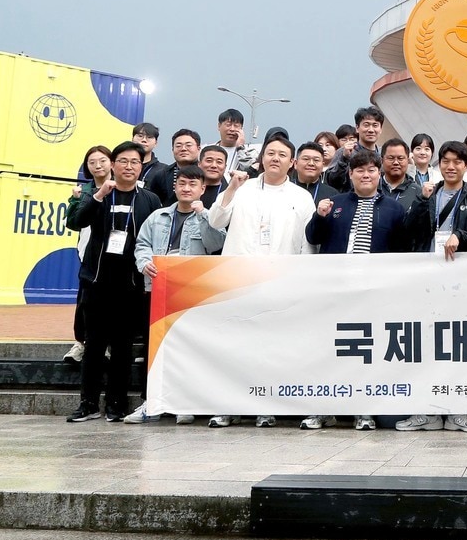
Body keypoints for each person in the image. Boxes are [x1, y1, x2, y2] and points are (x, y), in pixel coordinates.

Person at [206, 134, 316, 429]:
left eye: (282, 155)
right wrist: (231, 187)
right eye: (270, 153)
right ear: (261, 158)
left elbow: (307, 245)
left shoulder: (301, 197)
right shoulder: (243, 189)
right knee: (235, 346)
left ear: (292, 163)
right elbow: (216, 221)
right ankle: (227, 407)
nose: (275, 158)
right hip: (239, 279)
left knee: (270, 347)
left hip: (280, 281)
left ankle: (265, 407)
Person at [302, 148, 411, 431]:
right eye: (359, 170)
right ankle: (322, 409)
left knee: (365, 352)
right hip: (334, 290)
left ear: (379, 174)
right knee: (329, 350)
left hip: (373, 293)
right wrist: (319, 216)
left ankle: (363, 409)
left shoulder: (395, 209)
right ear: (350, 175)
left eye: (371, 170)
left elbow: (401, 252)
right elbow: (313, 237)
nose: (365, 175)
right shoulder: (334, 203)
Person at [400, 140, 467, 434]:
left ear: (466, 166)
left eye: (457, 161)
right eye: (446, 161)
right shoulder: (428, 194)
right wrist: (420, 201)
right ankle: (425, 413)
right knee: (426, 347)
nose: (451, 166)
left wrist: (460, 235)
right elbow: (408, 232)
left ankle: (460, 412)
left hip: (463, 285)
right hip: (428, 283)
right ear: (438, 164)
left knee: (461, 348)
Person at [64, 142, 161, 423]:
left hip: (130, 284)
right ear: (112, 165)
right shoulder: (98, 194)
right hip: (97, 281)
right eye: (123, 161)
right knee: (93, 345)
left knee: (122, 347)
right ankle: (88, 403)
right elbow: (76, 222)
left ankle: (116, 403)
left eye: (134, 162)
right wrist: (97, 197)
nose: (128, 166)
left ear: (141, 167)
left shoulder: (150, 200)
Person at [126, 164, 226, 425]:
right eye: (182, 183)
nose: (186, 188)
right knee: (156, 348)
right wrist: (143, 262)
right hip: (158, 288)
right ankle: (151, 401)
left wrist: (204, 215)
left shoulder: (208, 216)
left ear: (203, 189)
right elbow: (142, 244)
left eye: (193, 185)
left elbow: (216, 245)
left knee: (189, 348)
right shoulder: (158, 216)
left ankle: (186, 401)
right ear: (175, 186)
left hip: (192, 294)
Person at [62, 145, 112, 365]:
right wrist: (75, 201)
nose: (97, 165)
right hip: (89, 254)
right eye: (92, 162)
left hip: (116, 254)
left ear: (112, 162)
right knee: (84, 300)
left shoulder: (124, 188)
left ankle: (108, 345)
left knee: (112, 303)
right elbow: (72, 222)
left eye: (102, 160)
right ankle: (80, 343)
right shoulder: (84, 192)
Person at [146, 129, 202, 207]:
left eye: (188, 145)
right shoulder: (162, 175)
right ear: (172, 150)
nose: (183, 149)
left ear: (198, 148)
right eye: (178, 146)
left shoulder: (206, 173)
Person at [379, 138, 420, 212]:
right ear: (382, 161)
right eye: (391, 158)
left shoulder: (417, 192)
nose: (396, 162)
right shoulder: (373, 187)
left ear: (408, 161)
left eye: (400, 158)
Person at [293, 142, 337, 208]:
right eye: (306, 159)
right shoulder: (283, 189)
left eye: (316, 160)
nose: (311, 163)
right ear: (295, 164)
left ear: (323, 165)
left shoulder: (333, 195)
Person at [216, 108, 254, 177]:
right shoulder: (208, 150)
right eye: (228, 125)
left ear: (241, 129)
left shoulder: (249, 152)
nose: (232, 129)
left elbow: (248, 170)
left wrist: (240, 148)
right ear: (219, 126)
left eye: (236, 126)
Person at [131, 122, 167, 189]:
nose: (144, 140)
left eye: (149, 137)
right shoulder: (123, 165)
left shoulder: (163, 170)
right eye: (140, 136)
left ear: (156, 143)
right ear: (132, 139)